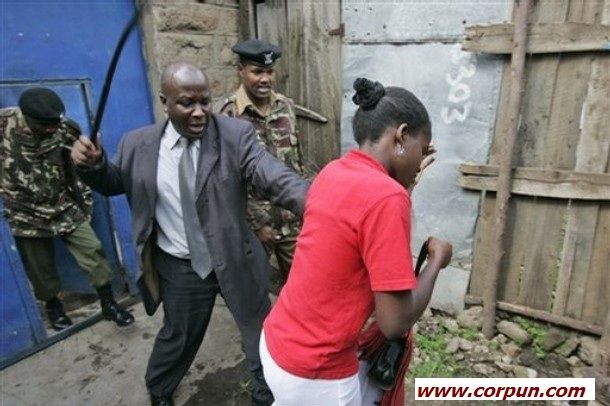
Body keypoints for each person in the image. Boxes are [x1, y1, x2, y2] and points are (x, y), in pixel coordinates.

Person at [71, 62, 308, 406]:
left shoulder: (234, 136)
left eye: (205, 102)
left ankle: (265, 393)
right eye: (187, 103)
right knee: (179, 336)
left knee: (260, 333)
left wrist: (319, 202)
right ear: (164, 101)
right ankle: (160, 387)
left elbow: (271, 174)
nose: (199, 113)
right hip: (181, 267)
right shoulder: (138, 145)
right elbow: (113, 182)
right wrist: (93, 165)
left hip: (235, 257)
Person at [260, 78, 453, 405]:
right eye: (422, 148)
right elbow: (394, 323)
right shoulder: (386, 198)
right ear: (401, 136)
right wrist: (436, 261)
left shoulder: (334, 171)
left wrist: (404, 183)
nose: (421, 160)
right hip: (316, 372)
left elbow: (363, 231)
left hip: (277, 344)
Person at [0, 87, 134, 331]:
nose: (52, 129)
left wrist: (84, 204)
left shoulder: (65, 129)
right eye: (45, 124)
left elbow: (77, 169)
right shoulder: (4, 123)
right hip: (24, 211)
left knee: (92, 250)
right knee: (40, 268)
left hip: (62, 204)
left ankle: (108, 303)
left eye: (55, 123)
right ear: (27, 116)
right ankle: (54, 306)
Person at [218, 39, 308, 290]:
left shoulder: (286, 106)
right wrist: (257, 223)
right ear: (241, 70)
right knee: (252, 290)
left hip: (291, 222)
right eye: (257, 71)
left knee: (301, 287)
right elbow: (227, 179)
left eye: (269, 71)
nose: (265, 79)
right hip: (255, 228)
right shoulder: (227, 115)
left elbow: (295, 163)